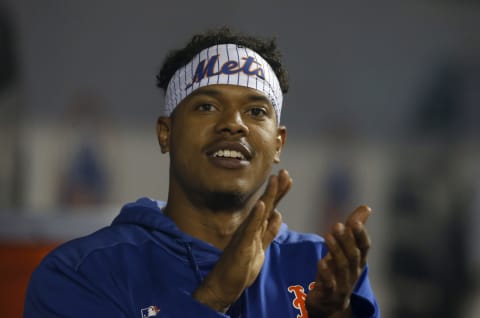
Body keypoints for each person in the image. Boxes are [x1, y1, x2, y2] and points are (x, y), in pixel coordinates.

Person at [24, 27, 379, 318]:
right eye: (207, 106)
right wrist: (214, 296)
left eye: (256, 112)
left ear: (278, 144)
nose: (233, 124)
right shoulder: (82, 273)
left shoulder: (324, 270)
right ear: (166, 133)